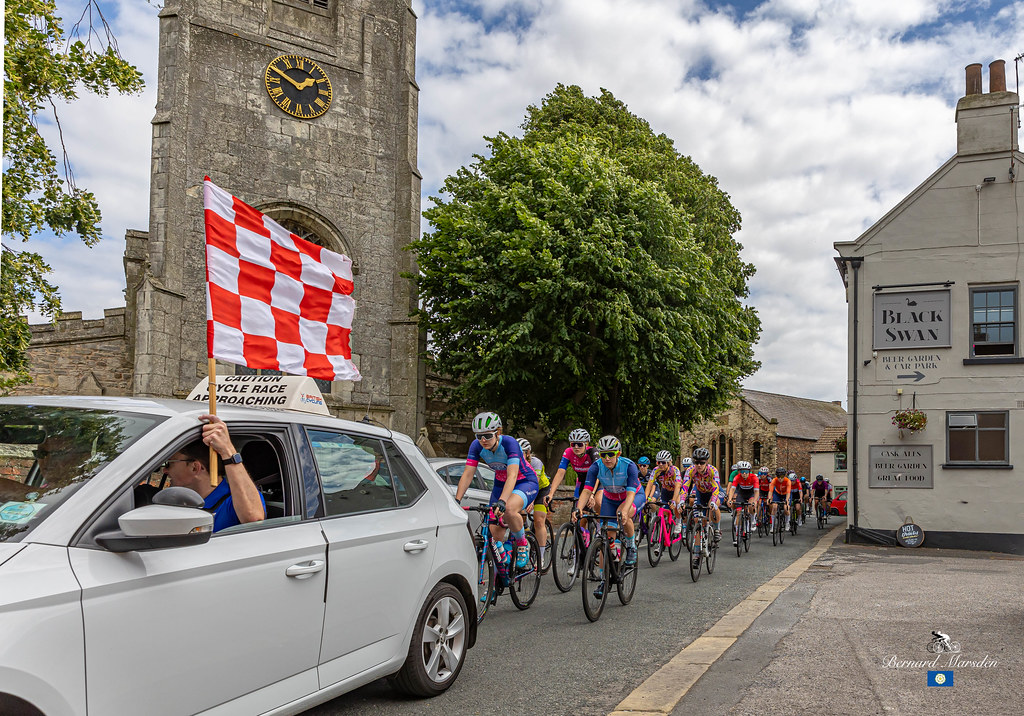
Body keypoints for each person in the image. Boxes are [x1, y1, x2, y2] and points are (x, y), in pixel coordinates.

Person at [455, 412, 539, 569]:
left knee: (508, 509)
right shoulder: (476, 446)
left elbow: (513, 475)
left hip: (524, 481)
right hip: (500, 484)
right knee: (494, 536)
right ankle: (498, 582)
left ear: (498, 432)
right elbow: (467, 474)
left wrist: (502, 501)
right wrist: (457, 500)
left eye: (487, 435)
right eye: (478, 436)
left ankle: (522, 543)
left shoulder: (509, 443)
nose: (483, 440)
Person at [162, 414, 265, 532]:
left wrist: (227, 450)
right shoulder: (176, 500)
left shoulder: (235, 499)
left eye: (169, 463)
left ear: (195, 468)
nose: (165, 470)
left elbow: (254, 519)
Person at [573, 435, 641, 572]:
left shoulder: (629, 466)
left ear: (618, 454)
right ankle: (603, 579)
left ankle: (631, 545)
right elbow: (587, 491)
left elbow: (630, 495)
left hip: (632, 496)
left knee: (622, 513)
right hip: (610, 499)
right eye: (604, 454)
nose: (607, 458)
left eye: (611, 454)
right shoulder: (596, 467)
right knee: (607, 538)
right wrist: (578, 508)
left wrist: (624, 511)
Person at [683, 447, 721, 566]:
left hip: (712, 493)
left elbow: (716, 489)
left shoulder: (713, 471)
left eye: (702, 462)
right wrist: (681, 501)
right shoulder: (690, 470)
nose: (698, 465)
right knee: (697, 521)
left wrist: (714, 501)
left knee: (713, 507)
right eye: (696, 462)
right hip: (700, 493)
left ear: (707, 462)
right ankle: (696, 553)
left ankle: (716, 529)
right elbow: (684, 487)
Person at [518, 437, 551, 570]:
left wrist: (531, 500)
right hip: (524, 489)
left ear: (528, 453)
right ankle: (524, 534)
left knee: (538, 520)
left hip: (541, 490)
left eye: (522, 453)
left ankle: (540, 557)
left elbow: (535, 483)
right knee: (516, 514)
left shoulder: (536, 462)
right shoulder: (513, 462)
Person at [647, 450, 683, 536]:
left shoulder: (675, 470)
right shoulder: (656, 470)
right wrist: (645, 498)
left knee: (677, 503)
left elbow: (678, 486)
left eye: (663, 462)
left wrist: (674, 500)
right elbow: (649, 484)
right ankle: (665, 527)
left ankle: (678, 521)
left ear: (668, 463)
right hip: (665, 491)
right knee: (664, 510)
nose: (660, 464)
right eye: (658, 462)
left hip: (676, 490)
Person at [726, 461, 759, 546]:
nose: (744, 473)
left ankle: (753, 519)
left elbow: (756, 492)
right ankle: (737, 535)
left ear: (749, 471)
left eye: (746, 471)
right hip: (741, 493)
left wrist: (755, 501)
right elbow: (732, 489)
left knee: (751, 506)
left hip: (751, 494)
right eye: (742, 471)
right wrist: (729, 499)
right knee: (739, 513)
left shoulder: (754, 477)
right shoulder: (737, 477)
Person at [768, 467, 791, 533]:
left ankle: (787, 523)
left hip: (785, 494)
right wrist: (769, 498)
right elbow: (770, 491)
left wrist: (787, 500)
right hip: (777, 493)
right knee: (774, 507)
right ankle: (772, 526)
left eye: (782, 476)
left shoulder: (787, 481)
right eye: (778, 476)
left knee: (786, 508)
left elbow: (788, 492)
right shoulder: (774, 480)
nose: (780, 478)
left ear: (784, 475)